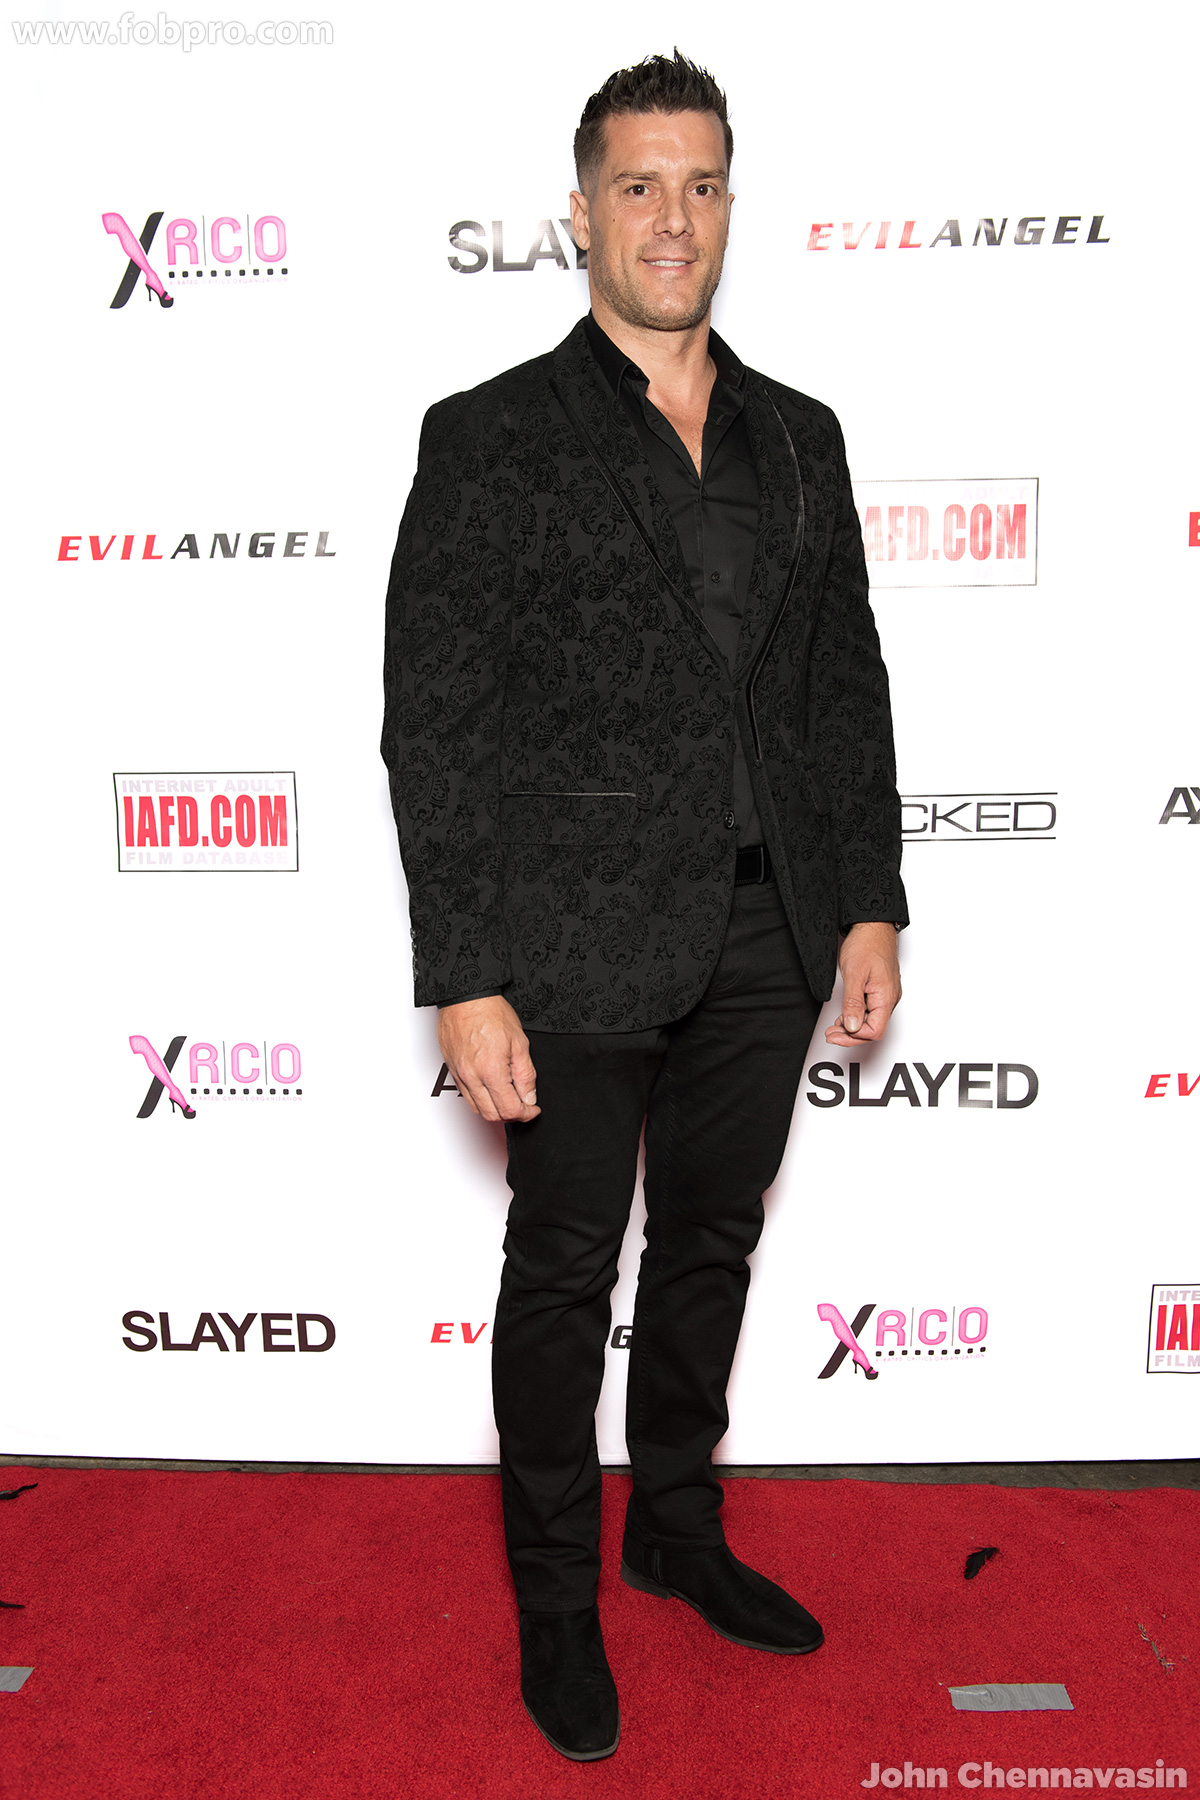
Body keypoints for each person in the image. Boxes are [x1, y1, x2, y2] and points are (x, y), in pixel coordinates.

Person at [382, 51, 907, 1763]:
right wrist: (465, 969)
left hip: (770, 928)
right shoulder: (489, 436)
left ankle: (676, 1525)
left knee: (711, 1244)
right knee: (559, 1276)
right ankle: (556, 1601)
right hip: (573, 937)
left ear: (729, 206)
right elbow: (434, 723)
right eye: (637, 186)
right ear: (582, 214)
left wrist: (871, 899)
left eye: (699, 185)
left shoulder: (802, 434)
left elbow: (842, 690)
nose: (670, 219)